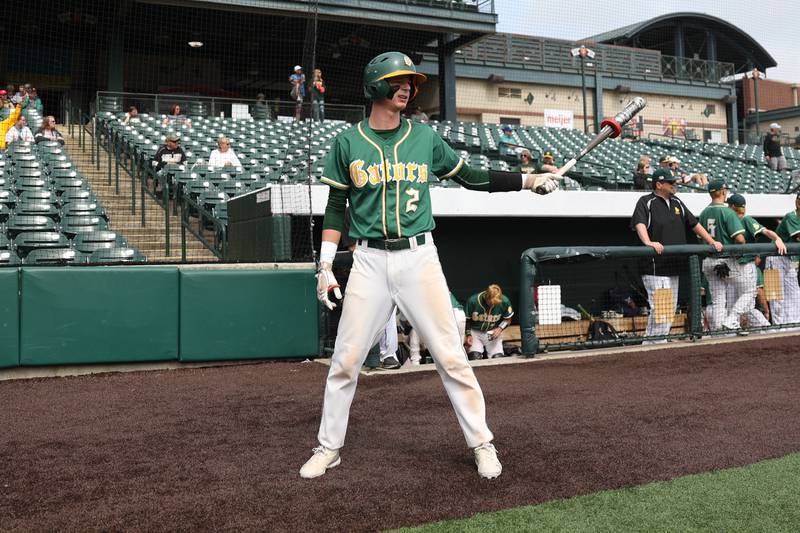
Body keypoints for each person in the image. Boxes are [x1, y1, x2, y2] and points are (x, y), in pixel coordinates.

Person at [302, 51, 560, 481]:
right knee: (345, 361)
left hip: (419, 256)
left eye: (411, 82)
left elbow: (472, 177)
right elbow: (334, 209)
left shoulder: (424, 139)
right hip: (367, 259)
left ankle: (482, 443)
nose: (407, 87)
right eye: (398, 80)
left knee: (450, 355)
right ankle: (329, 447)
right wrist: (326, 265)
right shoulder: (347, 142)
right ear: (375, 86)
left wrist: (526, 181)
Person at [630, 169, 722, 343]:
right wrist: (649, 242)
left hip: (673, 265)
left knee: (669, 309)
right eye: (671, 183)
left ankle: (651, 343)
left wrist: (711, 241)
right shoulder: (646, 201)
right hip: (655, 266)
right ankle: (655, 343)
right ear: (659, 184)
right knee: (661, 309)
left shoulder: (677, 201)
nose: (675, 185)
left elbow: (694, 224)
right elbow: (639, 223)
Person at [725, 193, 786, 329]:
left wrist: (777, 239)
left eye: (728, 205)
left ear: (733, 206)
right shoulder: (729, 220)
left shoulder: (746, 219)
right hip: (734, 266)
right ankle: (738, 329)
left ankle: (766, 328)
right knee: (736, 303)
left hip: (746, 266)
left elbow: (766, 231)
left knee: (747, 304)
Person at [697, 179, 748, 333]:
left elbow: (701, 239)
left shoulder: (704, 212)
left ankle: (719, 330)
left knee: (718, 299)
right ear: (723, 191)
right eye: (725, 190)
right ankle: (732, 321)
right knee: (749, 290)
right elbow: (740, 239)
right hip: (725, 260)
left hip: (708, 261)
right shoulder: (727, 211)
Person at [765, 194, 800, 325]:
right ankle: (779, 328)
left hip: (789, 261)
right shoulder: (792, 216)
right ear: (798, 203)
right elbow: (798, 237)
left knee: (795, 295)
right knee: (776, 299)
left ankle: (793, 328)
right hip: (774, 260)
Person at [465, 284, 514, 361]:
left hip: (493, 332)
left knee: (498, 358)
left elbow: (507, 319)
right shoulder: (473, 301)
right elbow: (467, 320)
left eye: (496, 303)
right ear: (486, 297)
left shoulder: (504, 301)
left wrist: (500, 328)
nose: (493, 305)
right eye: (491, 303)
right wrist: (468, 335)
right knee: (474, 357)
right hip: (475, 332)